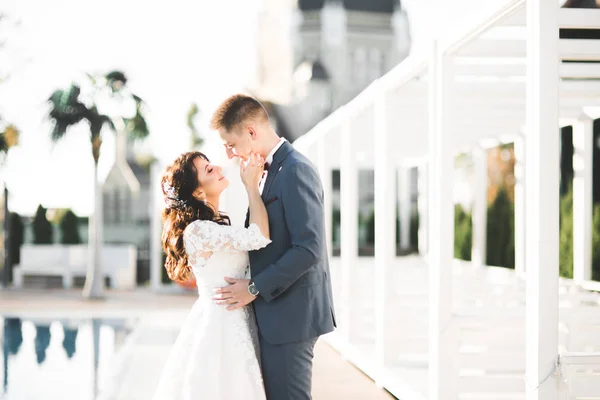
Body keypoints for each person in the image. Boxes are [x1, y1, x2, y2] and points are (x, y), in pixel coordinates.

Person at [210, 94, 336, 400]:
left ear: (252, 132)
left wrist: (253, 288)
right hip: (276, 316)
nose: (228, 155)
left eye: (231, 144)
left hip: (292, 317)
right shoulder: (264, 172)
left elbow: (309, 248)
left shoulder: (295, 170)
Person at [152, 150, 270, 399]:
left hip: (236, 318)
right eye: (208, 169)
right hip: (221, 326)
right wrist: (251, 186)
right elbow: (259, 237)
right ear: (197, 192)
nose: (217, 168)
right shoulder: (197, 231)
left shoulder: (215, 225)